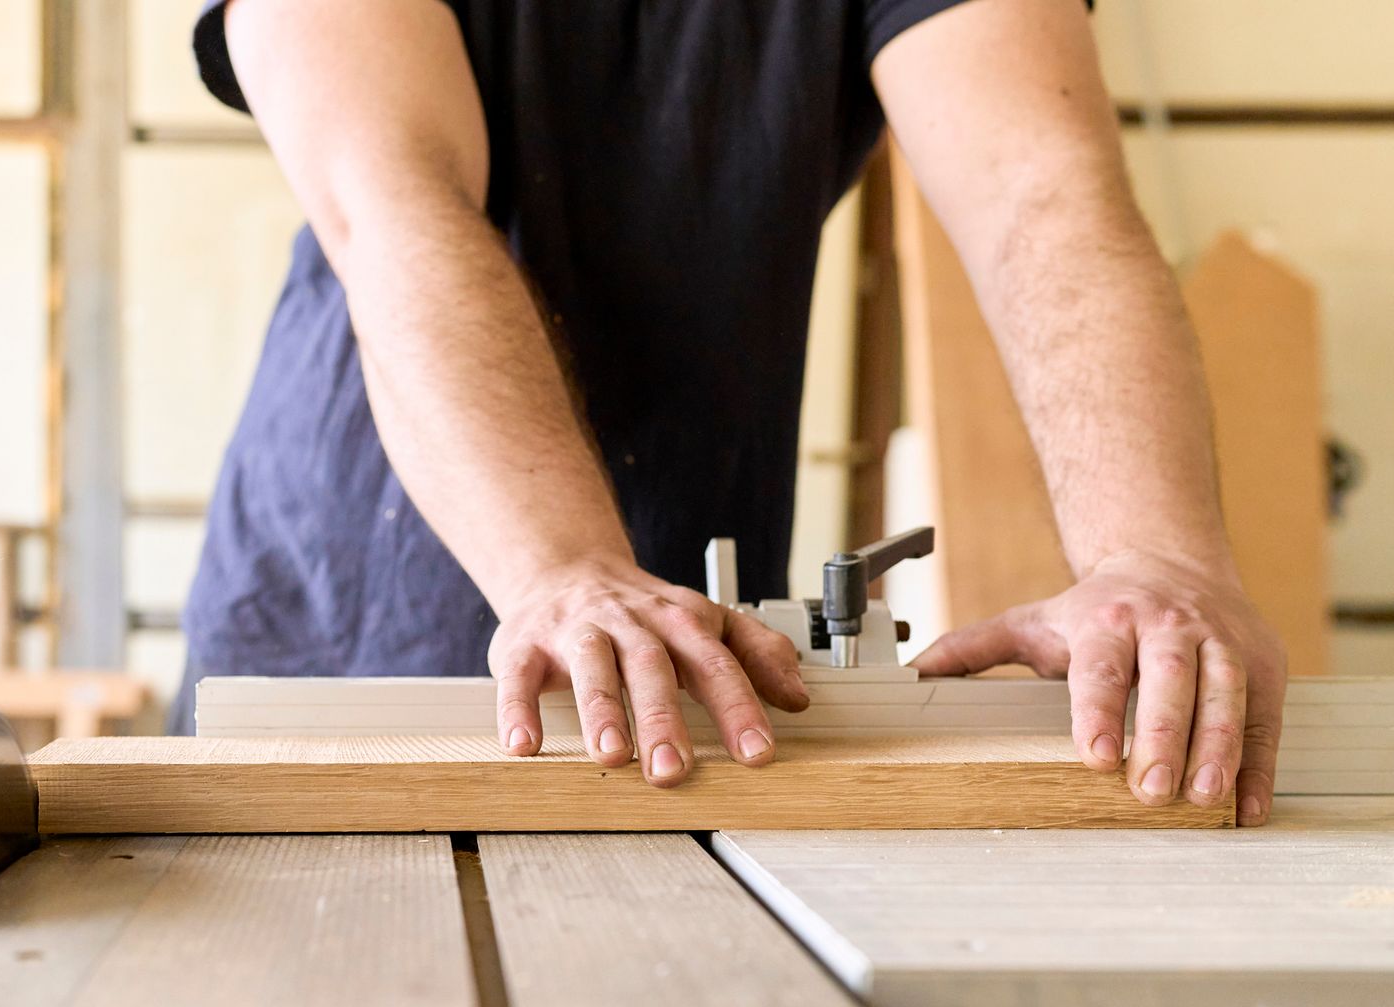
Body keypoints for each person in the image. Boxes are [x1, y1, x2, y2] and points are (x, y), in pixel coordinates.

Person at [173, 0, 1288, 826]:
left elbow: (1044, 196)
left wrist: (1157, 556)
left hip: (686, 628)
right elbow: (397, 204)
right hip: (359, 601)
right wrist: (559, 564)